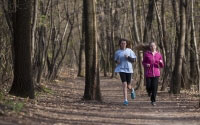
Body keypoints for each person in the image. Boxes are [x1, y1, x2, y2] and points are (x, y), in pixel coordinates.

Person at [114, 38, 137, 106]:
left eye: (124, 43)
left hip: (129, 69)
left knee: (128, 85)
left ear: (126, 44)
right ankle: (125, 100)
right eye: (122, 43)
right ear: (120, 44)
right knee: (124, 84)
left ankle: (132, 89)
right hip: (121, 69)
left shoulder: (129, 51)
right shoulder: (117, 52)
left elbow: (134, 60)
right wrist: (117, 61)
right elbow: (115, 60)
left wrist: (128, 57)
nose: (123, 44)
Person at [142, 42, 164, 106]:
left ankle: (153, 100)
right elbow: (143, 62)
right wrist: (146, 64)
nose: (152, 47)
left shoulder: (158, 54)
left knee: (155, 87)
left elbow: (162, 65)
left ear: (156, 46)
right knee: (148, 86)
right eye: (151, 46)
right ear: (150, 47)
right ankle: (149, 92)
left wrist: (160, 62)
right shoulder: (147, 54)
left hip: (156, 73)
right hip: (148, 73)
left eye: (153, 46)